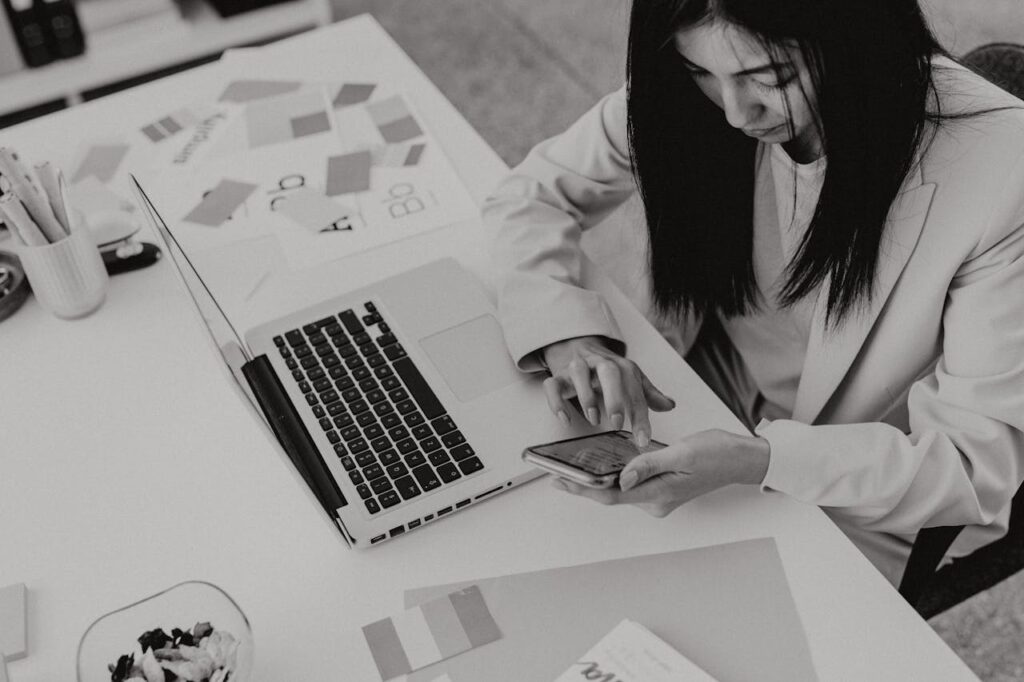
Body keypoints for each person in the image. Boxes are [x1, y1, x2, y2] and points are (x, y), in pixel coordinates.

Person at [484, 0, 1024, 586]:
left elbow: (973, 465)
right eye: (701, 73)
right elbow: (531, 196)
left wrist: (763, 461)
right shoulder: (697, 81)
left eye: (771, 78)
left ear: (856, 38)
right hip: (700, 396)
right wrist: (570, 339)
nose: (737, 113)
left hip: (852, 485)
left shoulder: (1004, 168)